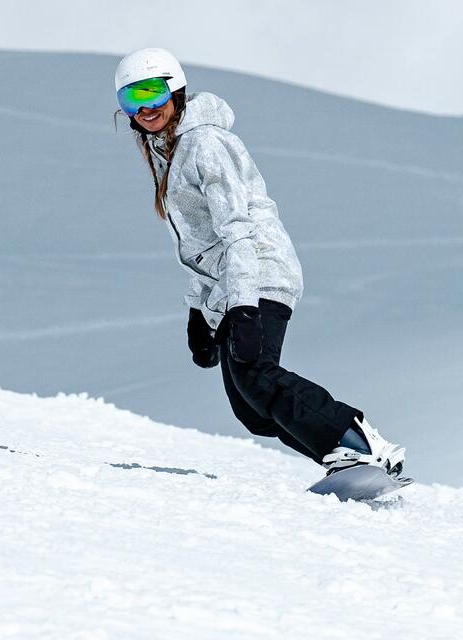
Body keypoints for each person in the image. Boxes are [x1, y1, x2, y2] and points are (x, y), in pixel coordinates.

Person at [113, 48, 407, 479]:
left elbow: (236, 230)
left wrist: (246, 305)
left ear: (175, 90)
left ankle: (358, 441)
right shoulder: (171, 154)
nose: (145, 108)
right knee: (252, 410)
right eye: (130, 99)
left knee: (258, 377)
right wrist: (200, 312)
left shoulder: (205, 144)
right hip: (232, 285)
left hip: (258, 272)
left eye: (152, 92)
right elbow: (199, 244)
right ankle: (345, 460)